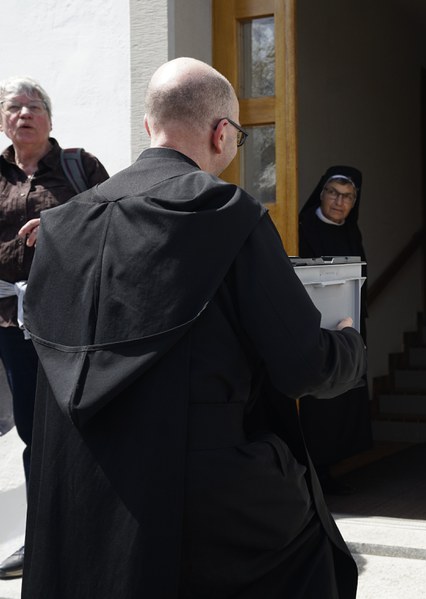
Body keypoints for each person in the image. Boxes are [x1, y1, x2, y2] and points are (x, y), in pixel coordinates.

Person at [20, 57, 366, 599]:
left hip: (76, 483)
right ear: (222, 133)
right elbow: (303, 364)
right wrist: (348, 342)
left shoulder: (61, 225)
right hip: (197, 482)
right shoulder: (226, 211)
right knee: (312, 547)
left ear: (147, 128)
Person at [0, 76, 109, 580]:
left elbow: (119, 217)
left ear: (51, 117)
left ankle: (97, 532)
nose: (24, 113)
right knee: (31, 428)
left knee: (83, 422)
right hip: (9, 322)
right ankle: (41, 537)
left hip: (71, 319)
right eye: (13, 107)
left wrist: (61, 224)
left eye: (34, 105)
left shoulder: (79, 167)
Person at [297, 166, 371, 494]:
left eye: (347, 197)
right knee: (317, 401)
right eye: (333, 193)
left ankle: (330, 467)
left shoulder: (352, 233)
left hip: (349, 327)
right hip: (314, 330)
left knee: (343, 398)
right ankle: (313, 473)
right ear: (321, 193)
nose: (339, 202)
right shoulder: (302, 227)